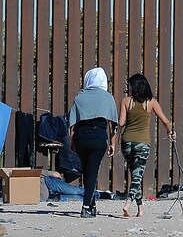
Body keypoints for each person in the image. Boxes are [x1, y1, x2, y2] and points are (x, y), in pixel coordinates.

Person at [118, 73, 175, 217]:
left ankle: (140, 208)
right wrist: (170, 132)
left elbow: (121, 123)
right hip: (142, 143)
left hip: (127, 142)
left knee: (135, 175)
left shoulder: (126, 101)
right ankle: (127, 204)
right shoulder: (151, 102)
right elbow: (165, 120)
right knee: (137, 177)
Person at [68, 67, 119, 218]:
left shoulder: (80, 96)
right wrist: (113, 143)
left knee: (87, 171)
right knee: (92, 171)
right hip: (98, 137)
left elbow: (73, 121)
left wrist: (71, 140)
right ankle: (85, 206)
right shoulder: (108, 98)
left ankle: (92, 205)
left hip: (81, 138)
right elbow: (113, 124)